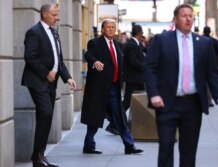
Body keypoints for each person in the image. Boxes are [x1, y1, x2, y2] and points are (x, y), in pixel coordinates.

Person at [144, 4, 218, 167]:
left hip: (193, 105)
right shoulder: (162, 40)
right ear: (175, 19)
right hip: (166, 103)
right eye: (184, 16)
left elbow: (212, 73)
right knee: (166, 148)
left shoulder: (203, 43)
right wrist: (153, 93)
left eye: (191, 16)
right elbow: (149, 67)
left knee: (189, 151)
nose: (188, 19)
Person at [21, 4, 77, 167]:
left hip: (51, 83)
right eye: (54, 15)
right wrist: (46, 72)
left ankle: (39, 155)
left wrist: (68, 78)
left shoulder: (54, 32)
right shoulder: (34, 32)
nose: (56, 17)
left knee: (45, 116)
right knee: (45, 113)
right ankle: (37, 156)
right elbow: (29, 57)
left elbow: (59, 60)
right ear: (44, 14)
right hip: (37, 81)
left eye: (57, 15)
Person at [80, 18, 143, 155]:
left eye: (113, 27)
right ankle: (88, 145)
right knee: (95, 119)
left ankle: (129, 145)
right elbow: (88, 54)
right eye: (107, 27)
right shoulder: (95, 43)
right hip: (99, 88)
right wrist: (95, 61)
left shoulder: (118, 44)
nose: (110, 29)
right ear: (102, 29)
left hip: (114, 88)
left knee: (120, 117)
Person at [122, 24, 145, 112]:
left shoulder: (135, 44)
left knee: (141, 99)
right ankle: (114, 123)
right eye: (142, 33)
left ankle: (139, 121)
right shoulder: (133, 45)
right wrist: (144, 66)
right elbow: (133, 61)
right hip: (133, 79)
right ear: (139, 33)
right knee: (127, 102)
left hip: (136, 79)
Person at [203, 26, 218, 107]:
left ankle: (207, 100)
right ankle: (210, 100)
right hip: (213, 63)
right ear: (210, 32)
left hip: (202, 65)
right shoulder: (214, 41)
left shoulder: (200, 40)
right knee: (212, 80)